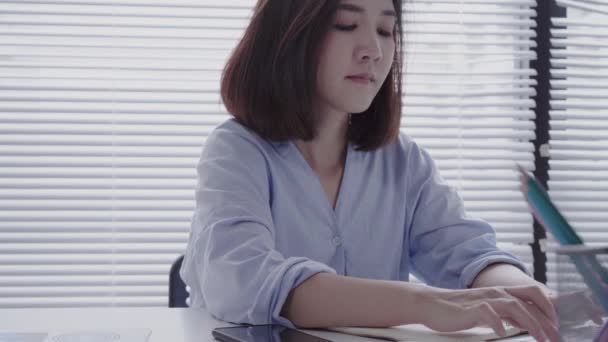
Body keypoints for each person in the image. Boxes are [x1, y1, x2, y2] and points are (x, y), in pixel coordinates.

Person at [180, 0, 564, 341]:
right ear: (289, 35)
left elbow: (466, 253)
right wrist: (424, 303)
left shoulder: (402, 160)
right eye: (346, 25)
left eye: (385, 30)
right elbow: (245, 281)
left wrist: (523, 294)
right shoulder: (236, 151)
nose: (374, 51)